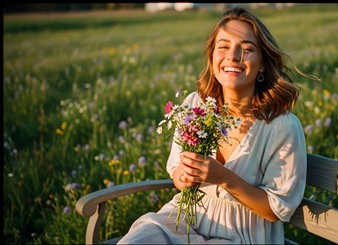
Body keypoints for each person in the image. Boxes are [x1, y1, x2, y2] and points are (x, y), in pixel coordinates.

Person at [118, 6, 307, 244]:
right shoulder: (195, 104)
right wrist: (183, 177)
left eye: (247, 49)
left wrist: (224, 178)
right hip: (184, 219)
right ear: (212, 57)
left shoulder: (282, 126)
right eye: (224, 46)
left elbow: (276, 210)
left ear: (262, 64)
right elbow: (177, 171)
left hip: (242, 232)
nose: (233, 56)